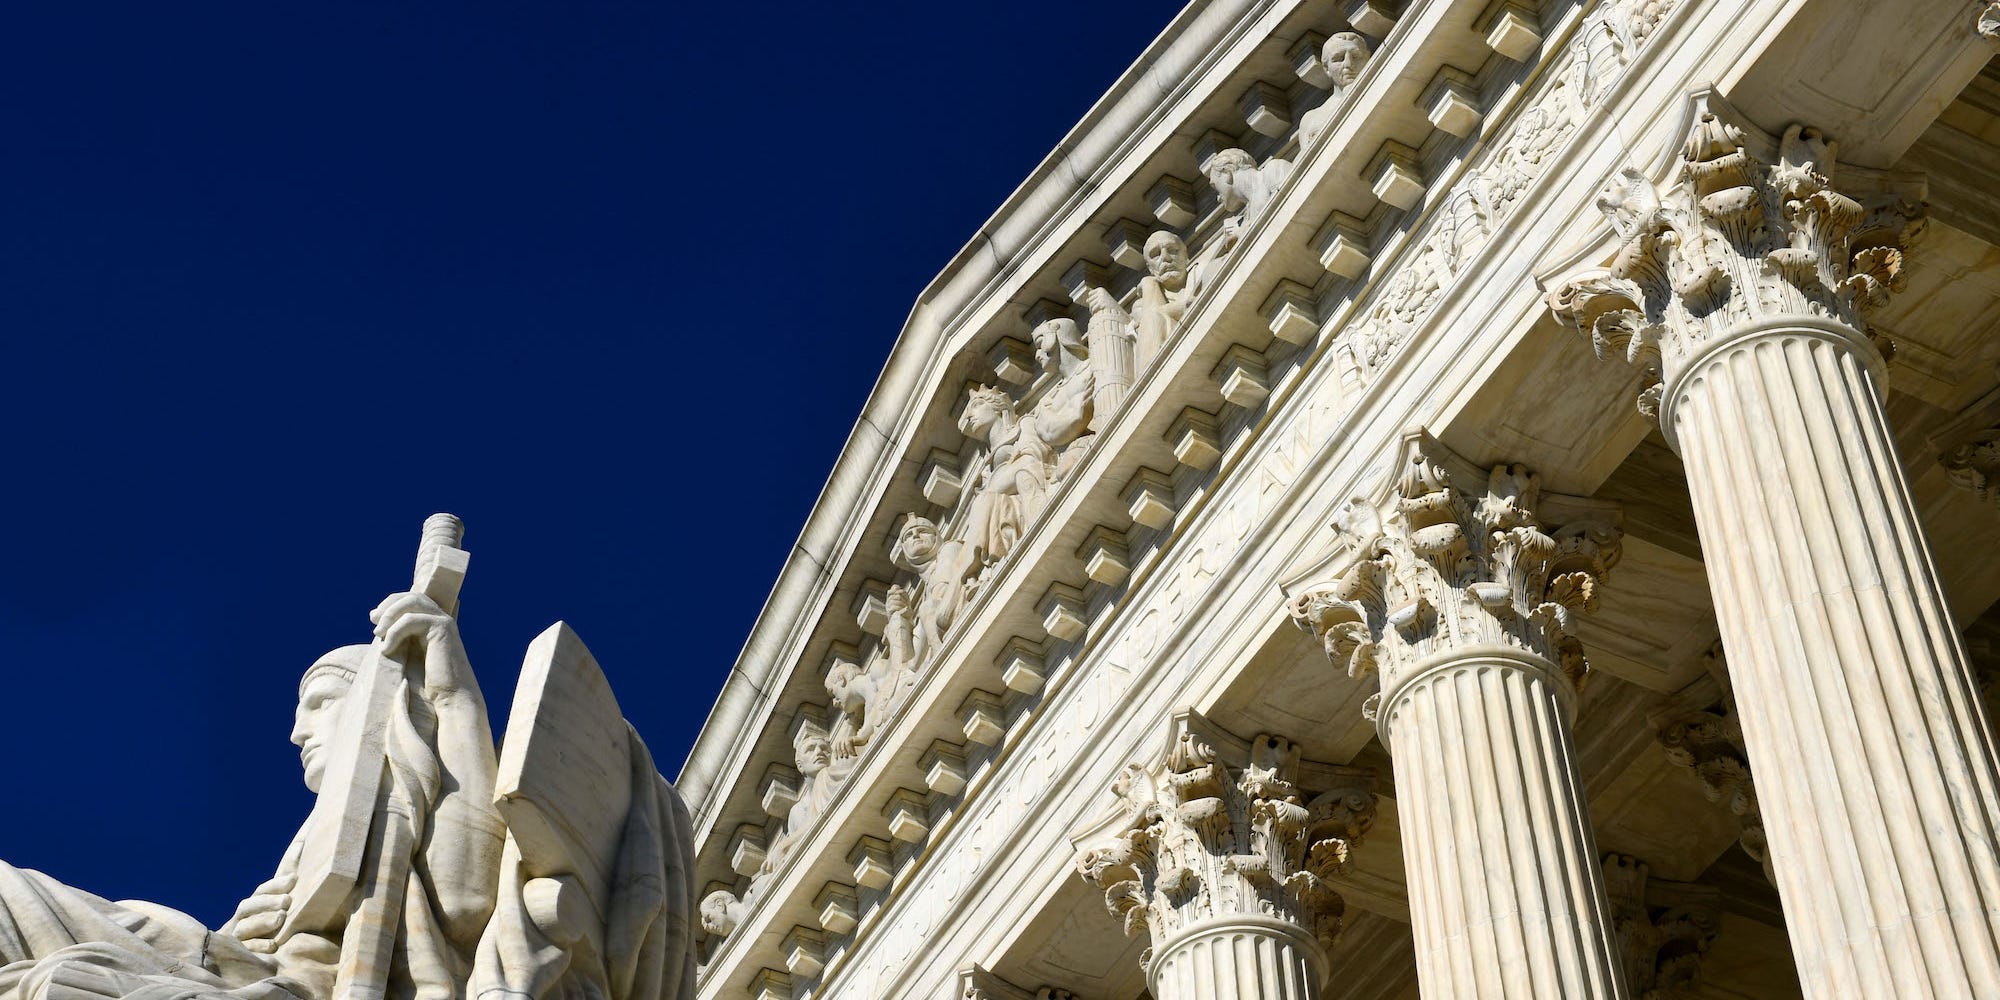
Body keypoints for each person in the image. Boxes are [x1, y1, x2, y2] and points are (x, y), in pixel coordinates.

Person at [0, 592, 502, 1000]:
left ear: (386, 706)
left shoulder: (409, 795)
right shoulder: (323, 825)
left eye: (320, 704)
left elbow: (466, 902)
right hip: (220, 954)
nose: (297, 734)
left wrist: (454, 698)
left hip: (269, 980)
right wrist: (246, 928)